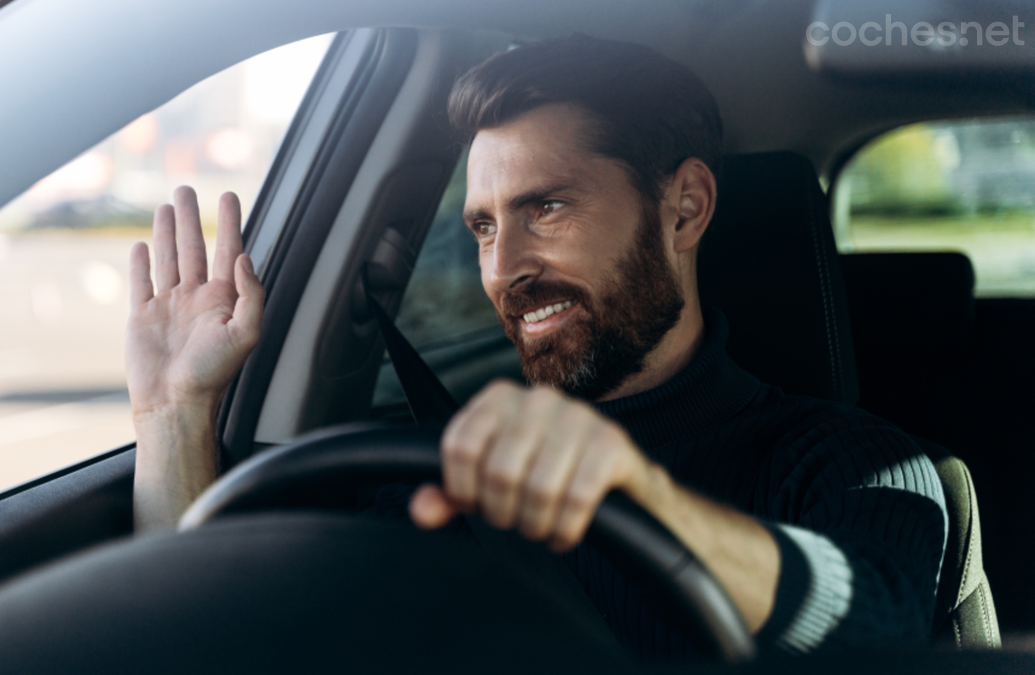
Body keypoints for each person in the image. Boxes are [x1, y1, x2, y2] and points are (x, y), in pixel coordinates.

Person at [124, 35, 947, 661]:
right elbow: (216, 646)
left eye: (546, 207)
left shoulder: (854, 463)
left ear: (687, 208)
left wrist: (639, 497)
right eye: (483, 225)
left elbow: (877, 635)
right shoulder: (440, 485)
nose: (504, 269)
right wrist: (172, 412)